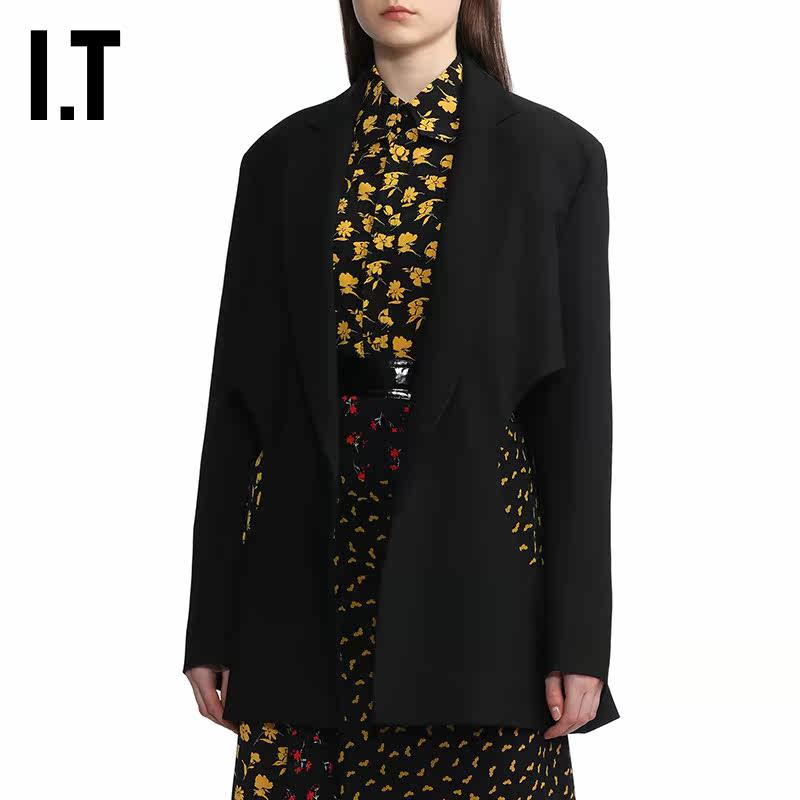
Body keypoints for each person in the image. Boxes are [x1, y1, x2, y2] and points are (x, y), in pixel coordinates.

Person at [183, 1, 620, 797]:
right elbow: (237, 403)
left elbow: (577, 422)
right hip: (303, 574)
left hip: (480, 578)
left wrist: (580, 639)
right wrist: (210, 623)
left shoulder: (555, 156)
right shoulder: (280, 159)